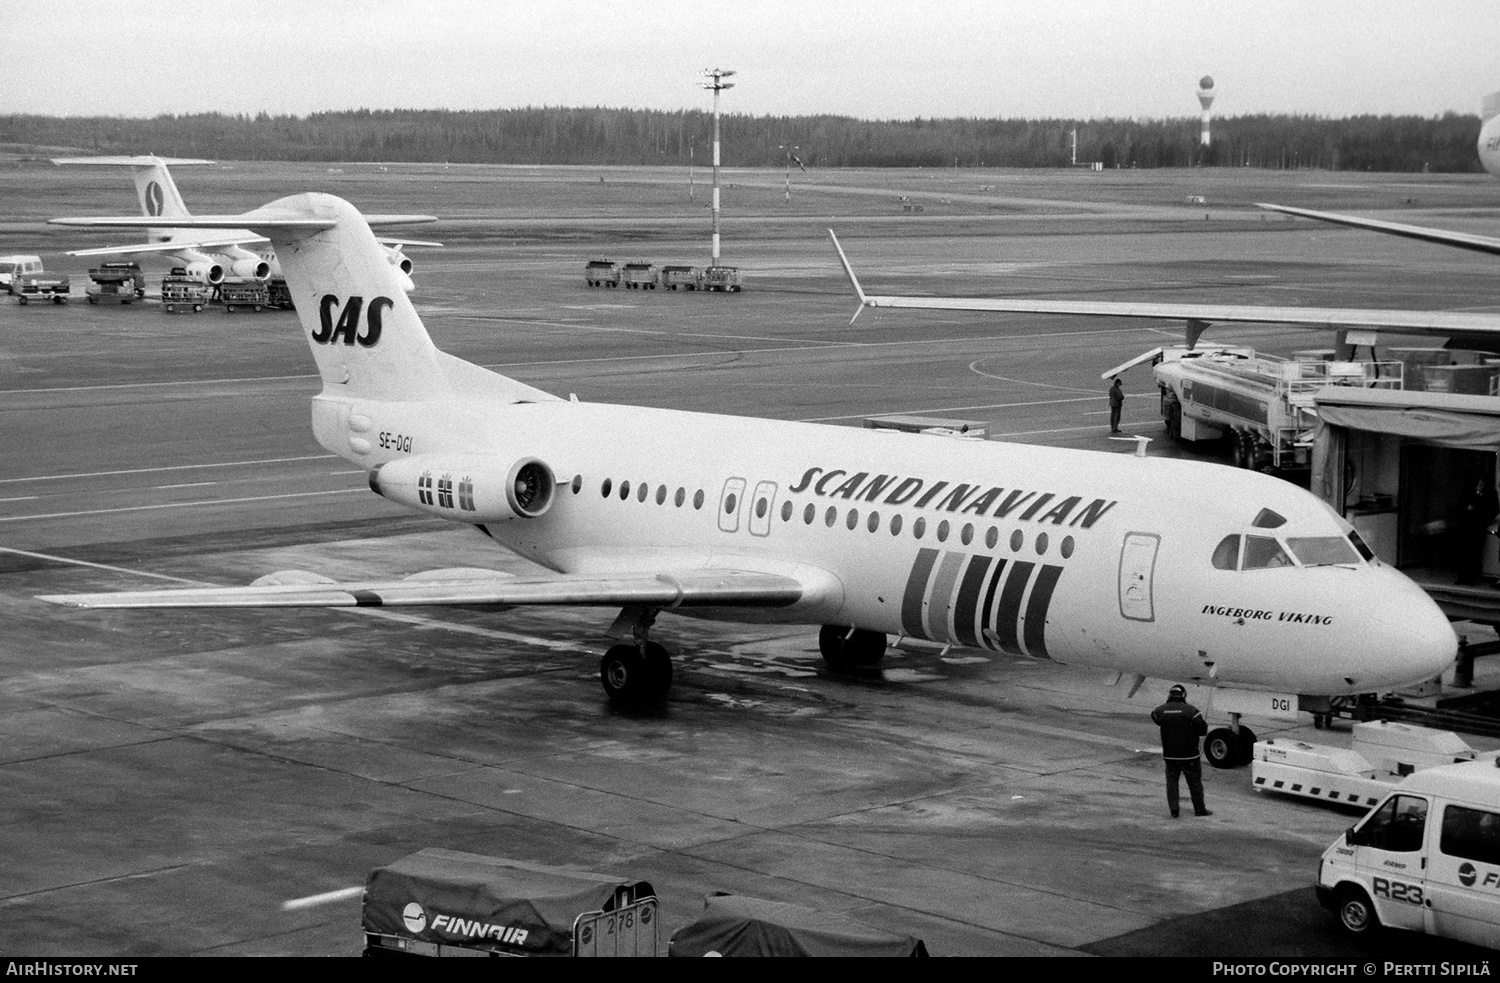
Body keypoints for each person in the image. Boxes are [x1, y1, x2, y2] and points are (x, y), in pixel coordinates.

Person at [1150, 684, 1212, 818]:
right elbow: (1202, 730)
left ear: (1169, 695)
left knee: (1172, 782)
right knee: (1194, 782)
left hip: (1170, 755)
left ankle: (1174, 810)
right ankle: (1200, 809)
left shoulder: (1161, 710)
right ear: (1183, 695)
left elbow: (1155, 717)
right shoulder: (1192, 711)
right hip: (1189, 755)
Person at [1454, 476, 1499, 586]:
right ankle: (1462, 577)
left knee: (1474, 553)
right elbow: (1460, 504)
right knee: (1464, 552)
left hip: (1478, 526)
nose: (1481, 486)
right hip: (1466, 525)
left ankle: (1470, 578)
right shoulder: (1468, 490)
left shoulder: (1489, 493)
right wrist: (1466, 509)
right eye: (1480, 484)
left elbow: (1493, 508)